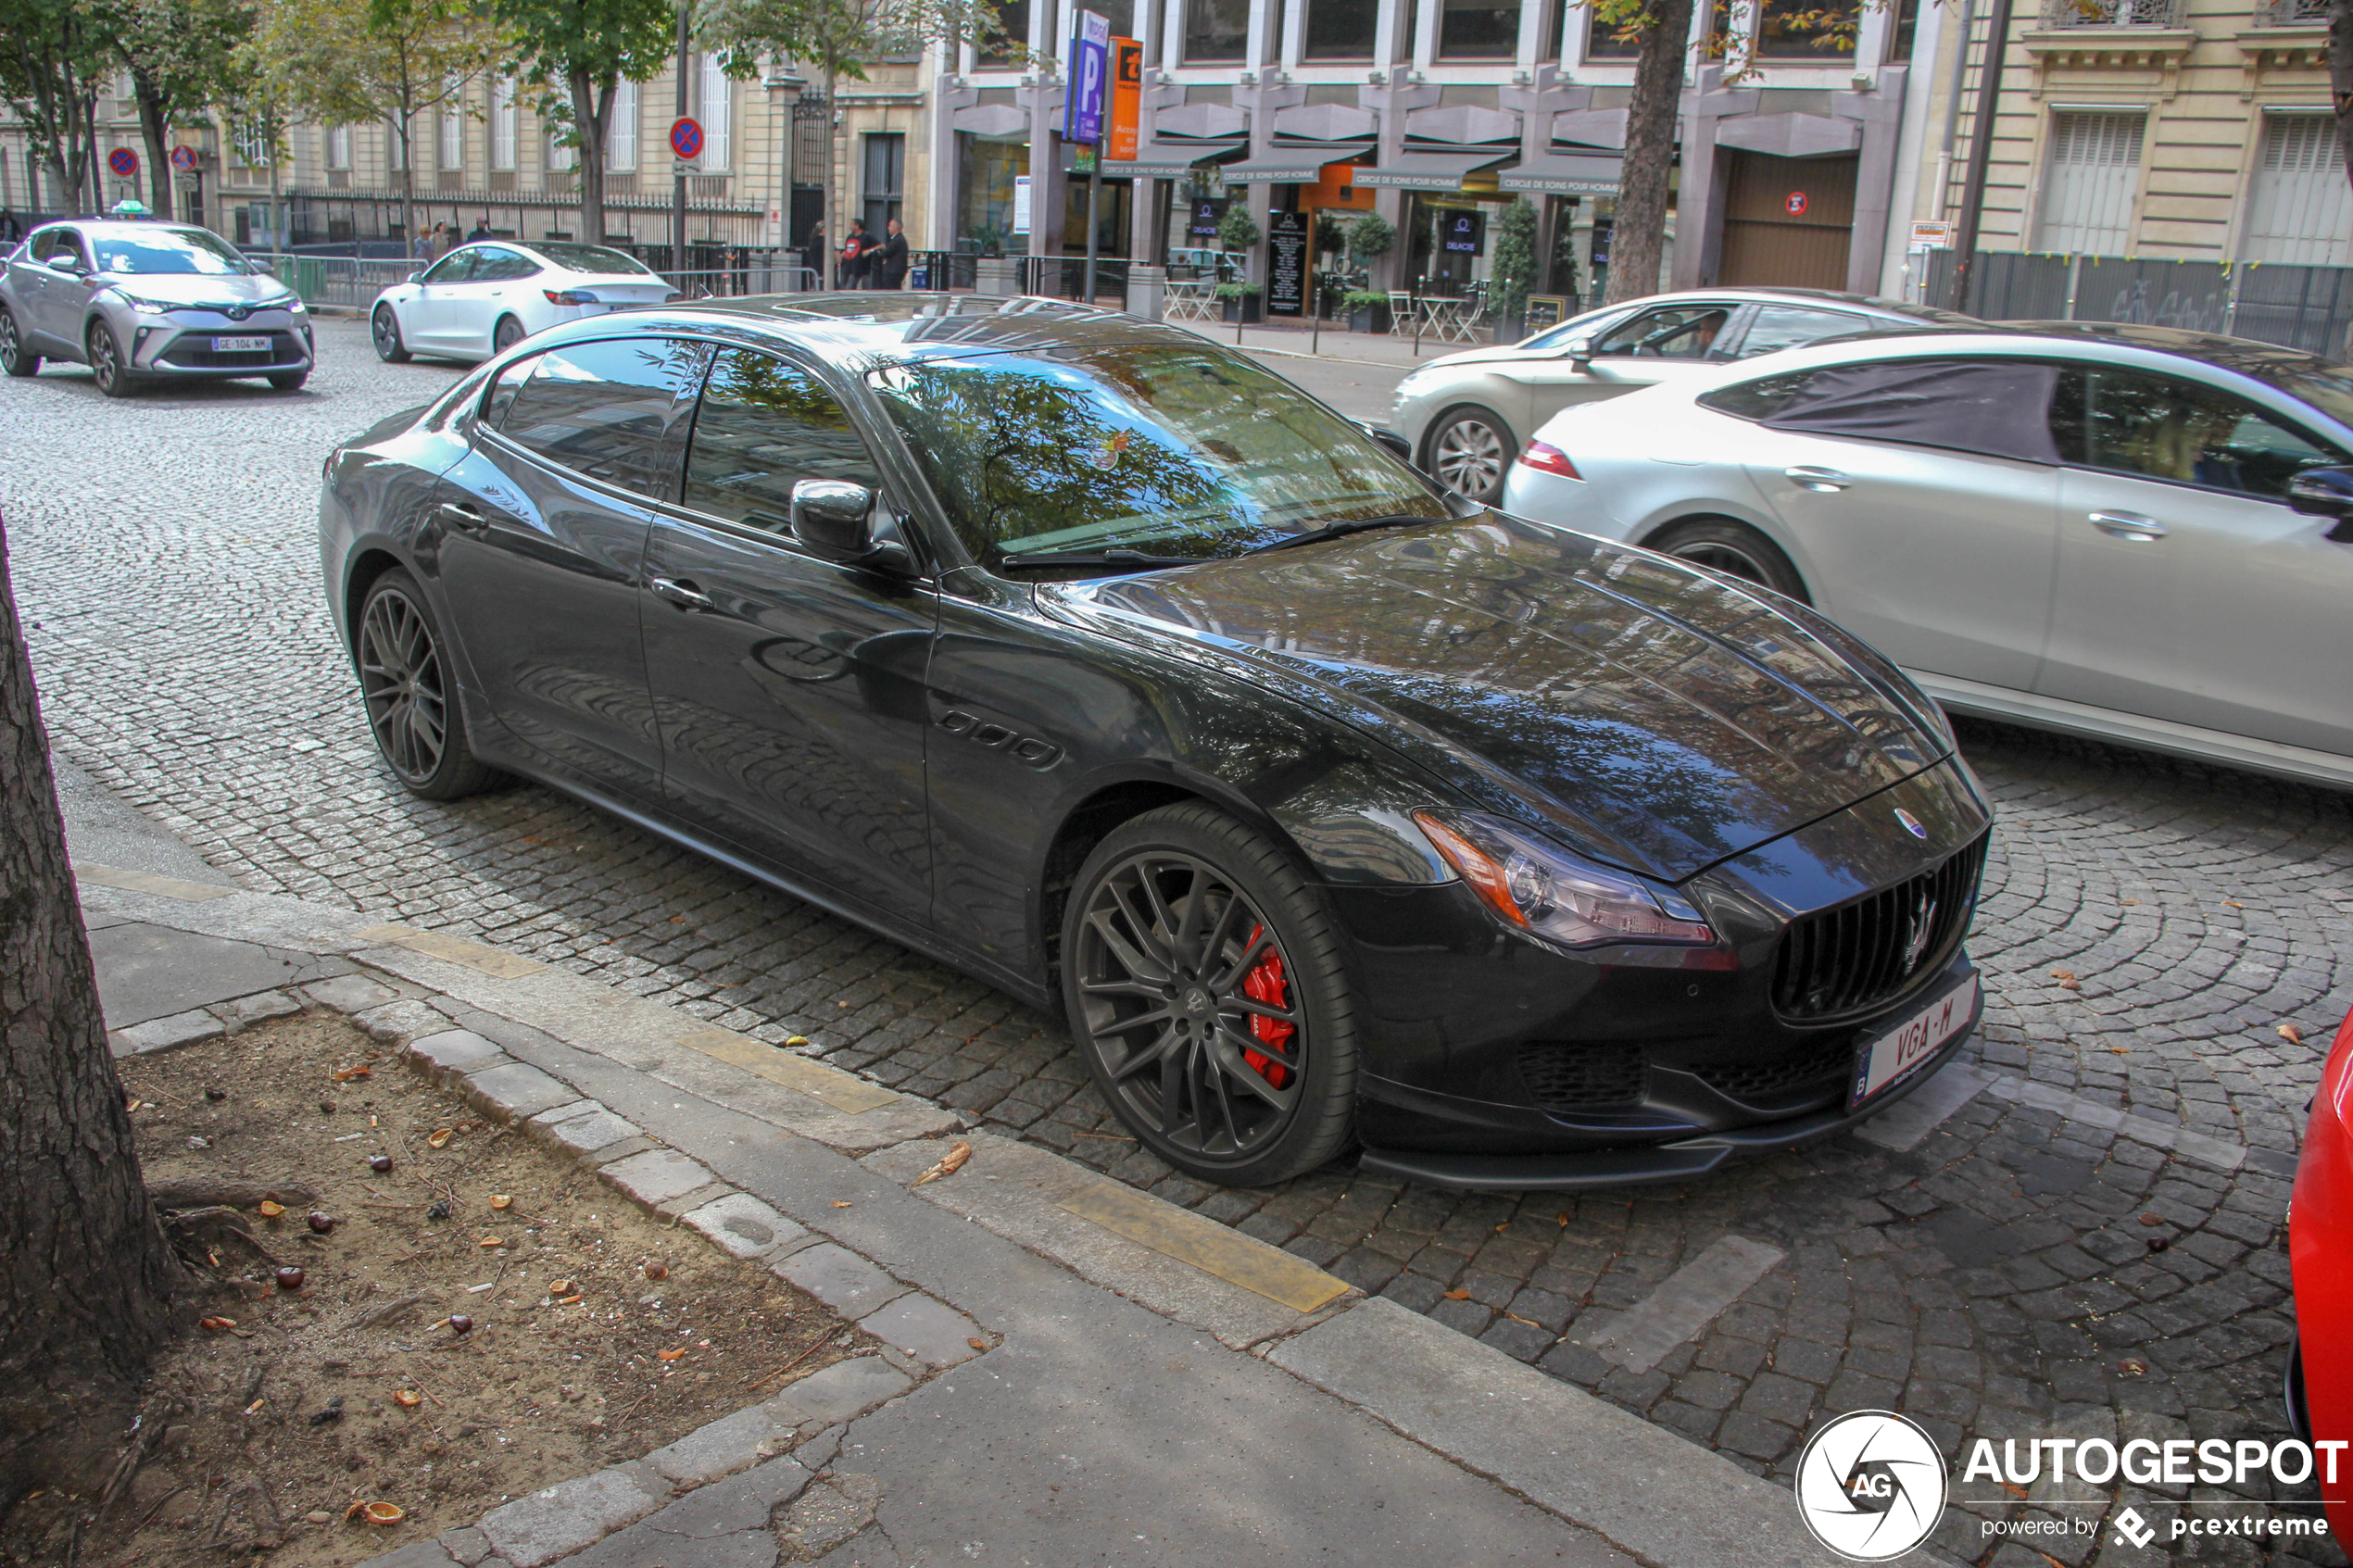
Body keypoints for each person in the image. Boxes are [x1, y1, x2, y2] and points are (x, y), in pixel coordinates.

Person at [874, 217, 909, 290]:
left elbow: (886, 253)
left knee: (891, 291)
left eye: (890, 226)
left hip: (893, 272)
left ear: (895, 228)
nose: (888, 228)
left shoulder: (897, 240)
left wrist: (878, 252)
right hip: (895, 271)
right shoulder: (898, 239)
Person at [838, 218, 867, 288]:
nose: (850, 226)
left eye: (851, 224)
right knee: (843, 286)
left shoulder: (866, 236)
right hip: (846, 265)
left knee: (850, 287)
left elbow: (878, 245)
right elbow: (847, 249)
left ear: (857, 226)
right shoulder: (850, 237)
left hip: (857, 266)